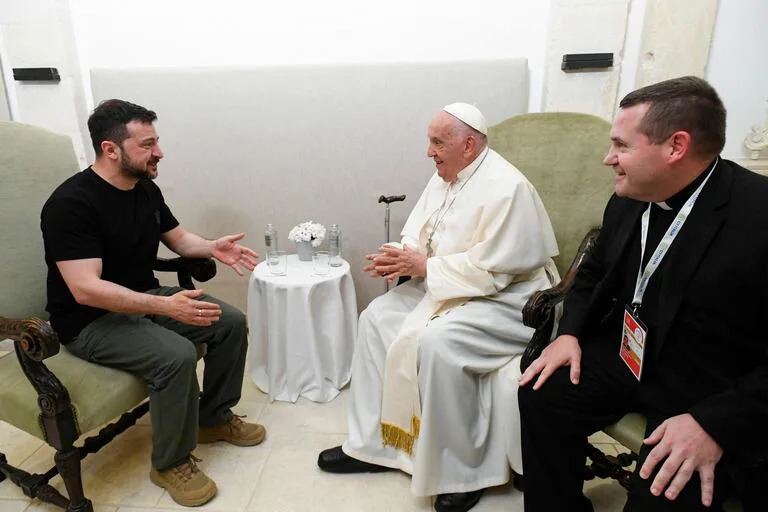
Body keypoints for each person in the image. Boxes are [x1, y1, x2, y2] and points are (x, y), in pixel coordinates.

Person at [518, 76, 768, 512]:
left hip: (713, 389)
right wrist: (569, 333)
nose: (607, 158)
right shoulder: (631, 195)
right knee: (543, 391)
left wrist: (715, 424)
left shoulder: (759, 215)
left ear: (676, 147)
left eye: (621, 145)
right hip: (630, 356)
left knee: (663, 494)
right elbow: (593, 271)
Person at [318, 103, 559, 512]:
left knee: (437, 341)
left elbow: (496, 271)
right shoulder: (447, 176)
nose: (429, 152)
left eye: (437, 142)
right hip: (449, 284)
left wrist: (424, 267)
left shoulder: (507, 188)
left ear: (468, 144)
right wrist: (400, 256)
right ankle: (375, 445)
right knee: (375, 318)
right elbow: (420, 231)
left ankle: (463, 473)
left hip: (508, 298)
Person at [40, 99, 266, 507]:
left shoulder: (144, 188)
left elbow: (178, 240)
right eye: (147, 144)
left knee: (229, 321)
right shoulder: (70, 205)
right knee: (175, 355)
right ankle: (170, 462)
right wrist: (166, 307)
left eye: (156, 142)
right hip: (89, 321)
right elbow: (85, 290)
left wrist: (212, 248)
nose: (159, 152)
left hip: (143, 299)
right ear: (111, 150)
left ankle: (212, 417)